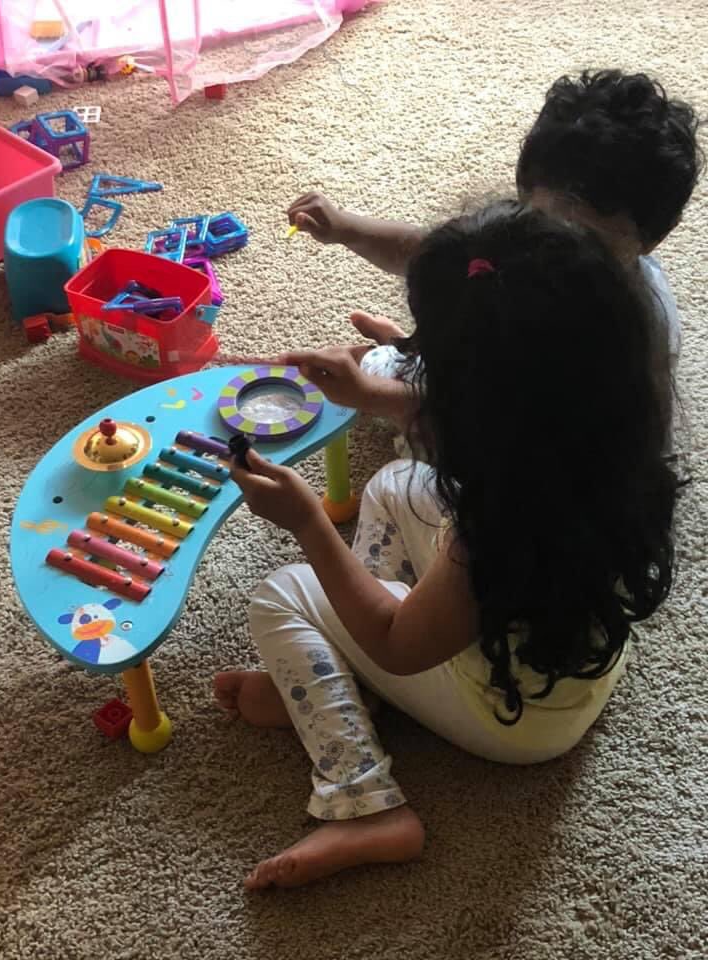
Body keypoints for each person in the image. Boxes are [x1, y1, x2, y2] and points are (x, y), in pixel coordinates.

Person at [215, 201, 679, 889]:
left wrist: (309, 522)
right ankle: (357, 683)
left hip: (516, 719)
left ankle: (361, 800)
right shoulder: (604, 434)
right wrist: (373, 394)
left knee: (280, 592)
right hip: (567, 656)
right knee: (401, 481)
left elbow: (402, 643)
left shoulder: (500, 525)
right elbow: (494, 426)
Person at [282, 70, 702, 419]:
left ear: (654, 237)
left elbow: (498, 435)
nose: (553, 255)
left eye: (589, 243)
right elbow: (433, 255)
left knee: (401, 488)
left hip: (558, 467)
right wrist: (346, 228)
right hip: (510, 394)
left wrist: (371, 397)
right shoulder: (521, 249)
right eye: (539, 224)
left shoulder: (612, 343)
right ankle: (406, 360)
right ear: (522, 195)